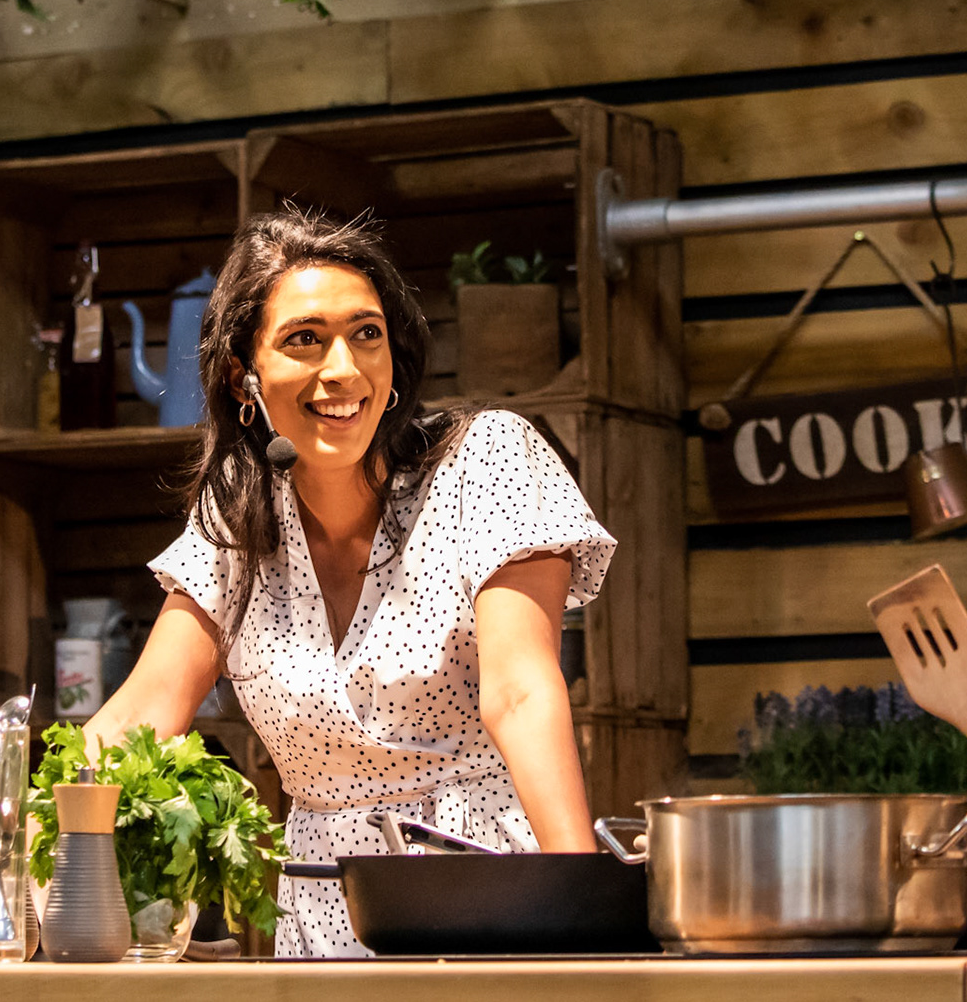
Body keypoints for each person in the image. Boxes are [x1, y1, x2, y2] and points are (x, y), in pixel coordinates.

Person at [83, 205, 614, 957]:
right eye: (304, 340)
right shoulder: (239, 506)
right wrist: (22, 845)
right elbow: (142, 712)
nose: (344, 368)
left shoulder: (487, 459)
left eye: (366, 334)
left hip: (489, 897)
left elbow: (520, 694)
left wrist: (580, 915)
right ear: (246, 375)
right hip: (320, 924)